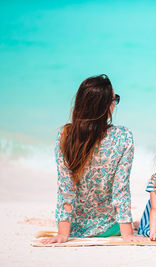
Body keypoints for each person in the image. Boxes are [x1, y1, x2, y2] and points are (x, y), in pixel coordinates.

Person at [41, 75, 145, 244]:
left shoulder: (65, 136)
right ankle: (129, 226)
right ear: (104, 106)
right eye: (114, 99)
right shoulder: (123, 136)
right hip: (109, 228)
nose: (114, 103)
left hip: (74, 228)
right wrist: (127, 234)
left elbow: (65, 189)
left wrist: (62, 234)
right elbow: (121, 189)